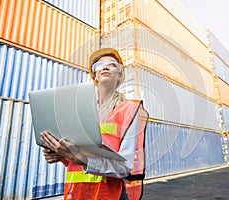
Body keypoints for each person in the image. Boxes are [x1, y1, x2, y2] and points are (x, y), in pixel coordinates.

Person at [40, 48, 148, 200]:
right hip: (76, 194)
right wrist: (62, 155)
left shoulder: (129, 109)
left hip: (110, 195)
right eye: (99, 65)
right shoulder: (78, 109)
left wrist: (82, 159)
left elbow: (124, 167)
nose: (105, 67)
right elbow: (76, 157)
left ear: (119, 75)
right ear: (94, 75)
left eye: (111, 64)